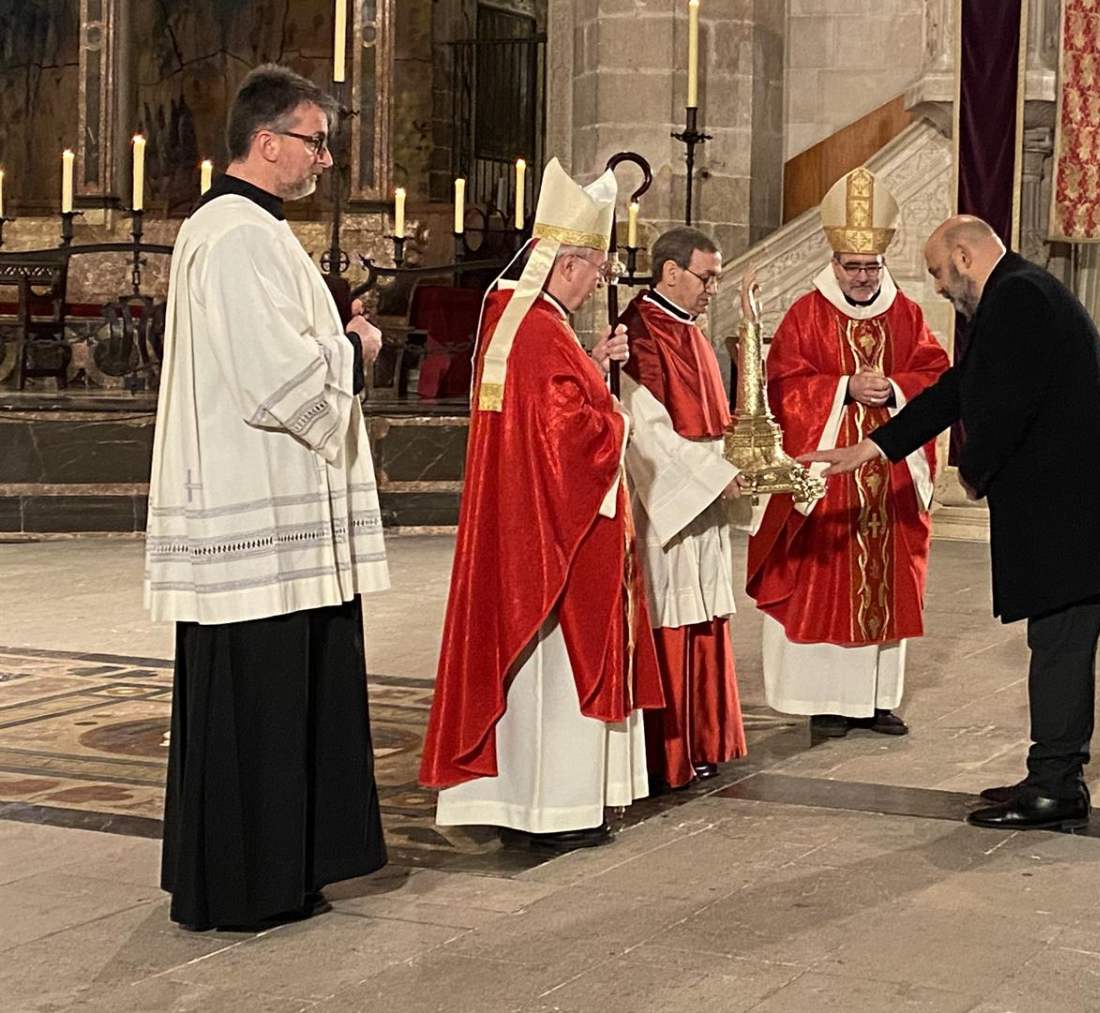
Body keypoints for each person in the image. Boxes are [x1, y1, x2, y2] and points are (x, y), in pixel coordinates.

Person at [804, 216, 1100, 831]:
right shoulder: (1019, 293)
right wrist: (874, 448)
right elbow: (963, 388)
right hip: (1076, 504)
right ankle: (1053, 775)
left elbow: (1007, 403)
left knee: (1060, 649)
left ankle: (1055, 787)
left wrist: (973, 468)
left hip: (1077, 507)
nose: (942, 289)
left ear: (966, 256)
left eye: (942, 274)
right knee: (1057, 646)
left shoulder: (1019, 296)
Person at [147, 64, 389, 931]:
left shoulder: (247, 229)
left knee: (280, 697)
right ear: (266, 142)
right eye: (316, 140)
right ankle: (253, 881)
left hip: (277, 516)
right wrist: (355, 347)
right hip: (261, 516)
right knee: (260, 700)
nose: (326, 158)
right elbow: (276, 379)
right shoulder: (238, 233)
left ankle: (281, 869)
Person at [418, 159, 663, 853]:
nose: (597, 284)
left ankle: (526, 800)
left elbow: (545, 401)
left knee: (532, 679)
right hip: (558, 541)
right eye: (594, 270)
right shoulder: (538, 328)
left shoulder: (520, 319)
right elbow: (567, 435)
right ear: (564, 266)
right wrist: (615, 418)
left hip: (529, 529)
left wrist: (588, 362)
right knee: (555, 673)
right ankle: (556, 809)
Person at [746, 168, 949, 739]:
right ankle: (826, 702)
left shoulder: (906, 313)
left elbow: (936, 373)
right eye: (852, 267)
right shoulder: (806, 314)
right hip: (829, 476)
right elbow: (780, 383)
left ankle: (878, 699)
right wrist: (842, 388)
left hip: (891, 471)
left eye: (871, 267)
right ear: (834, 262)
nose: (862, 277)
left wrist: (896, 386)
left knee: (889, 580)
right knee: (825, 580)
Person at [619, 227, 750, 789]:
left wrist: (737, 465)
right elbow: (645, 432)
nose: (713, 289)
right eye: (707, 276)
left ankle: (703, 739)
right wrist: (710, 478)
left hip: (705, 492)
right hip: (667, 504)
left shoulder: (691, 331)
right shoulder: (641, 334)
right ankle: (667, 750)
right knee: (670, 614)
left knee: (704, 615)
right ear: (671, 272)